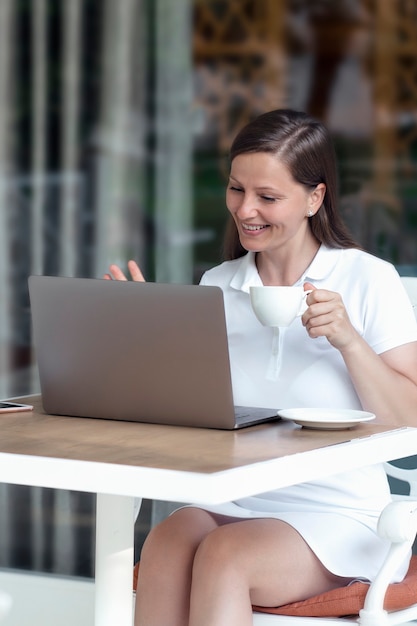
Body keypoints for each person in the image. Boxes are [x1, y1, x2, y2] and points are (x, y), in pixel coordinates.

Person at [105, 109, 417, 626]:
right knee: (165, 542)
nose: (245, 209)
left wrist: (349, 341)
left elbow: (410, 417)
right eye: (235, 190)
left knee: (227, 556)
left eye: (267, 197)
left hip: (339, 514)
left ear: (314, 198)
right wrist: (146, 339)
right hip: (230, 496)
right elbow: (191, 409)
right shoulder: (218, 284)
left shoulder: (367, 279)